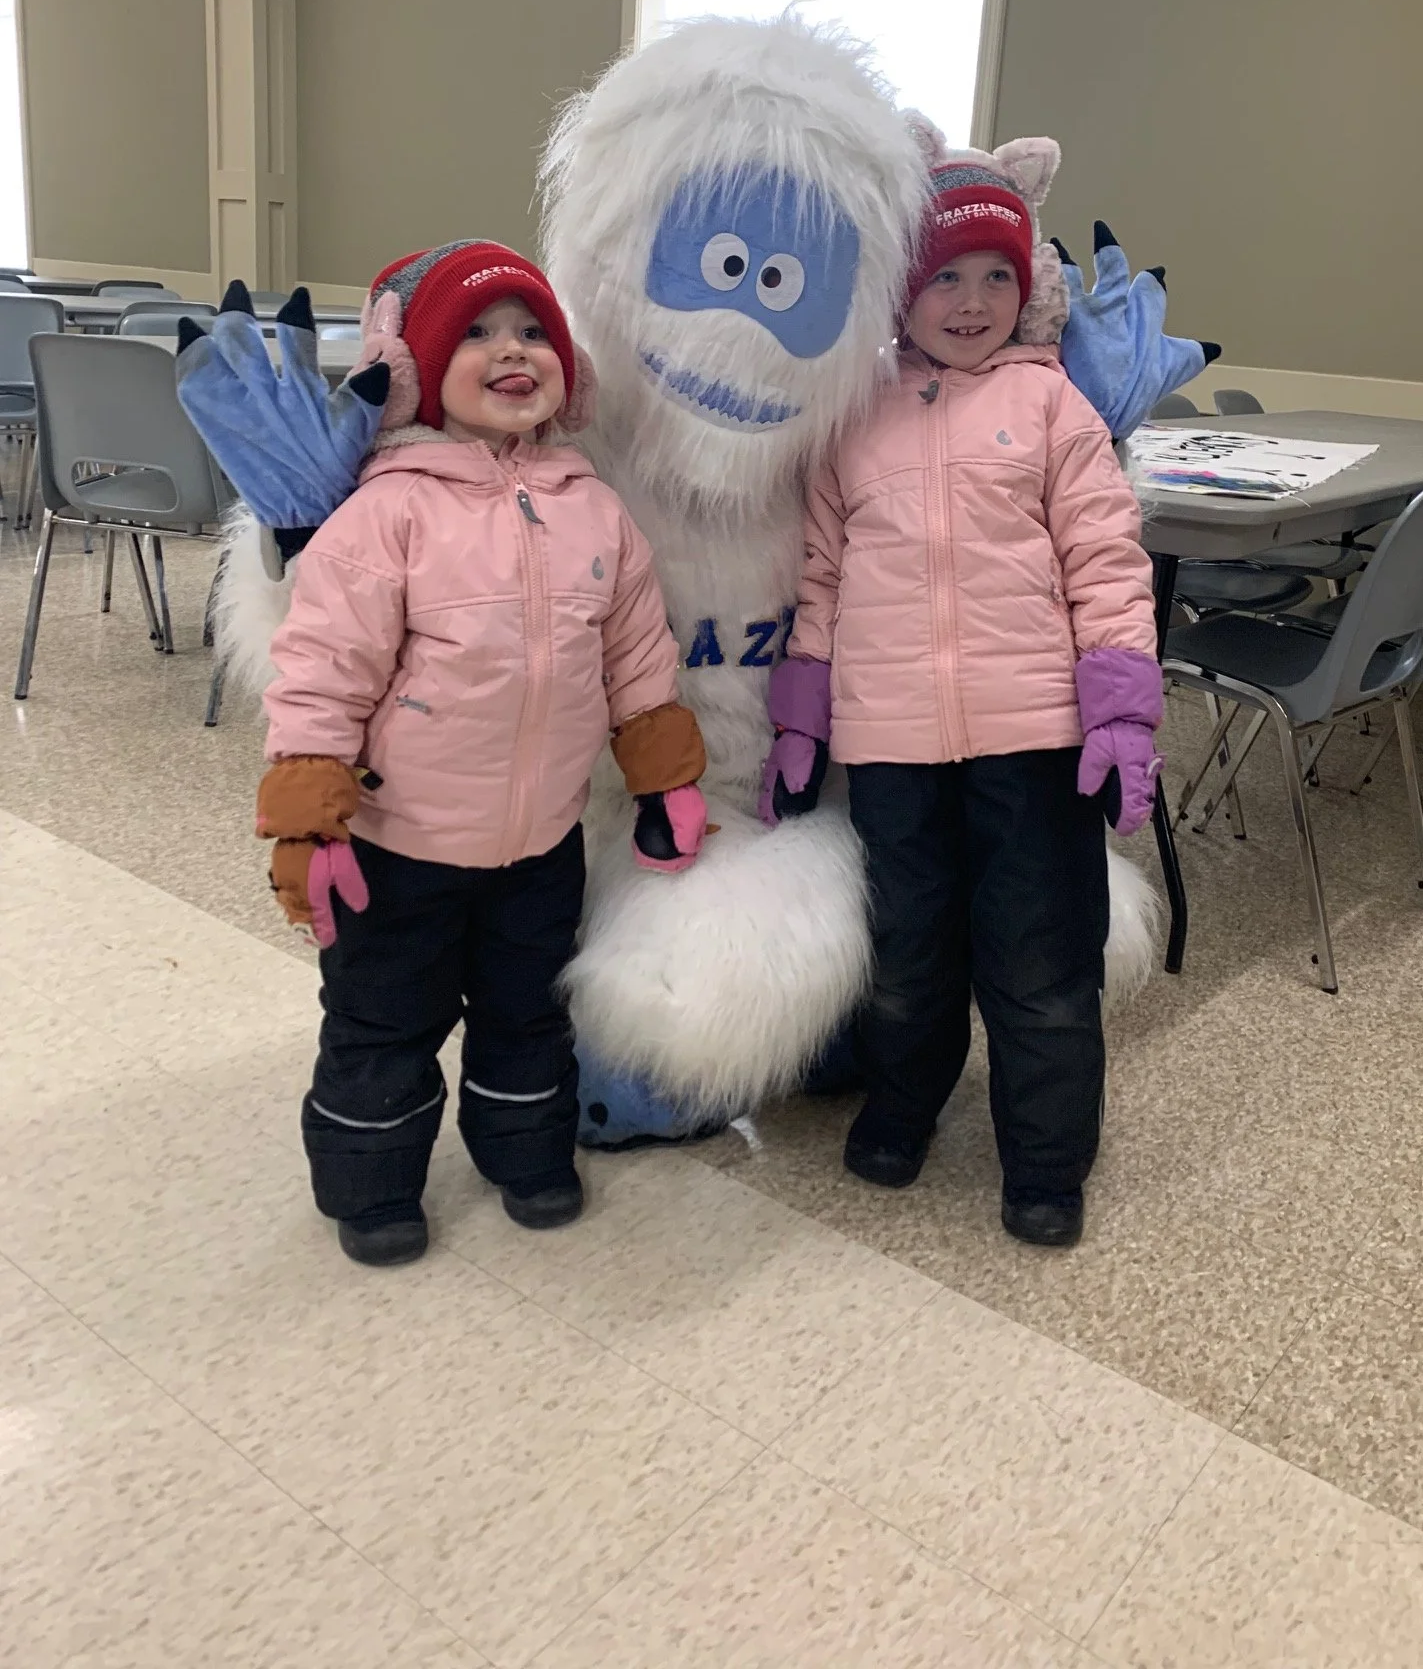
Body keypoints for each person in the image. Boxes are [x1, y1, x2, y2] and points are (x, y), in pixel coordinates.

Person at [256, 241, 708, 1267]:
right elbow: (323, 670)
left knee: (526, 1014)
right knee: (383, 1024)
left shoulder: (595, 510)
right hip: (399, 846)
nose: (512, 351)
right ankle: (371, 1180)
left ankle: (525, 1152)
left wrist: (664, 777)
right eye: (476, 333)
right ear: (417, 369)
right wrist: (305, 818)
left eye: (532, 331)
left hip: (539, 846)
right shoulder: (389, 513)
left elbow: (637, 652)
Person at [762, 153, 1163, 1248]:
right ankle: (903, 1106)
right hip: (893, 742)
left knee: (1040, 959)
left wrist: (1123, 709)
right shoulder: (855, 420)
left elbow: (1108, 561)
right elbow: (823, 576)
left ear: (1026, 289)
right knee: (911, 947)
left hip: (1036, 738)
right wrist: (803, 711)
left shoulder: (1051, 406)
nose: (973, 302)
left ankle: (1045, 1159)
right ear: (900, 290)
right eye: (947, 278)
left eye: (996, 276)